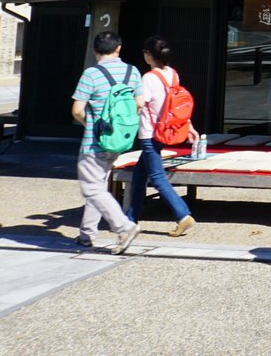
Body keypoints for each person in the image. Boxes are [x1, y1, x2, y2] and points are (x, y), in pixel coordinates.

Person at [70, 30, 142, 253]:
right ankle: (87, 234)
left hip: (95, 141)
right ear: (118, 48)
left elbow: (77, 110)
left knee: (92, 188)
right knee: (99, 186)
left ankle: (124, 227)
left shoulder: (91, 74)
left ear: (95, 50)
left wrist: (90, 125)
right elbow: (139, 103)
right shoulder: (133, 71)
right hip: (121, 139)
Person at [129, 35, 197, 237]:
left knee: (158, 177)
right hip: (167, 130)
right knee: (139, 175)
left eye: (145, 52)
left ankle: (183, 215)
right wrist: (189, 126)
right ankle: (130, 220)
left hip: (151, 132)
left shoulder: (149, 78)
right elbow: (177, 106)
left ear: (149, 55)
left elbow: (140, 104)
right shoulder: (173, 74)